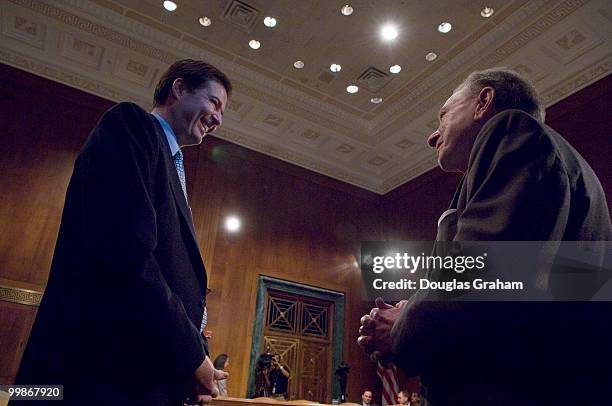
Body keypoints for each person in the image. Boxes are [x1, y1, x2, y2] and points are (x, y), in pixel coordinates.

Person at [358, 68, 612, 404]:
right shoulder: (552, 159)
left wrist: (403, 323)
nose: (432, 137)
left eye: (443, 116)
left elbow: (485, 276)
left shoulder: (512, 131)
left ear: (484, 103)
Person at [14, 59, 232, 405]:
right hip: (89, 376)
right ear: (179, 89)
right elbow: (127, 255)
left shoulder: (172, 163)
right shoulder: (131, 125)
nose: (219, 118)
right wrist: (191, 357)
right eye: (214, 103)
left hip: (135, 378)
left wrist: (190, 370)